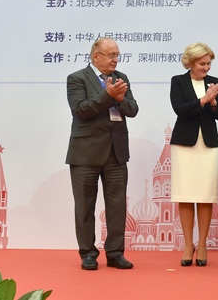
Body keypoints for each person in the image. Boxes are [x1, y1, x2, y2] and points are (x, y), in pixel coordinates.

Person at [66, 37, 138, 270]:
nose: (115, 59)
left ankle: (116, 253)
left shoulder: (121, 78)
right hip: (85, 153)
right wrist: (109, 95)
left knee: (117, 206)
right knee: (85, 207)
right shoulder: (77, 78)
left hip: (116, 152)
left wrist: (120, 98)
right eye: (111, 55)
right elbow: (81, 110)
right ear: (96, 56)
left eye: (117, 55)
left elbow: (133, 109)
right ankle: (88, 253)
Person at [170, 42, 218, 267]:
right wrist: (202, 100)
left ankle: (202, 244)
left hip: (208, 145)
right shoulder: (178, 81)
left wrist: (213, 102)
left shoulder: (215, 82)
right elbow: (179, 109)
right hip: (184, 144)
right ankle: (188, 245)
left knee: (205, 195)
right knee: (185, 194)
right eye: (202, 63)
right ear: (191, 62)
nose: (207, 67)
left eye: (208, 63)